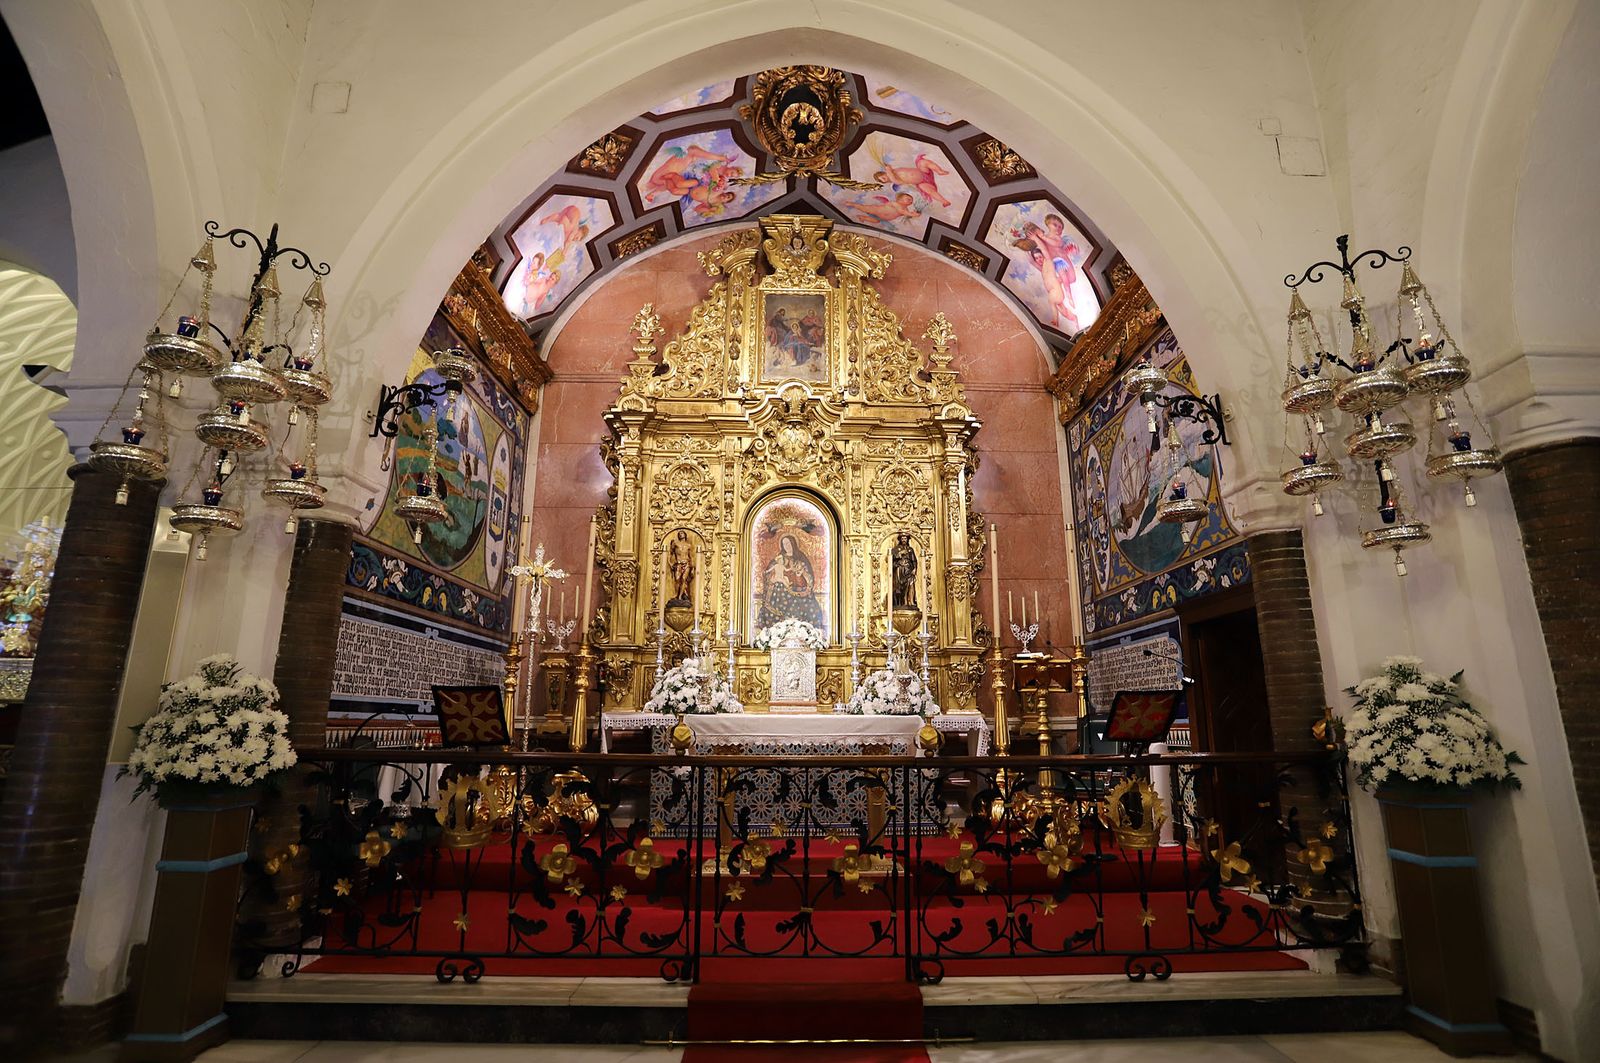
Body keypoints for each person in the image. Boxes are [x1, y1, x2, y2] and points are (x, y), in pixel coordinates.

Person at [757, 534, 824, 630]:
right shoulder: (779, 558)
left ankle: (806, 632)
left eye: (788, 543)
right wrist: (773, 577)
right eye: (784, 544)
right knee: (778, 592)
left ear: (793, 543)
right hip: (782, 590)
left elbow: (808, 576)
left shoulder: (801, 558)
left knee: (811, 607)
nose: (786, 545)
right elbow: (770, 572)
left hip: (799, 590)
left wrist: (799, 576)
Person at [891, 531, 918, 610]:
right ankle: (903, 602)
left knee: (910, 584)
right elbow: (891, 557)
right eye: (902, 538)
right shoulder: (896, 549)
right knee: (900, 587)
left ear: (907, 539)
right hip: (900, 570)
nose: (904, 540)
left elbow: (914, 560)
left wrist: (915, 568)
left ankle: (910, 601)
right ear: (900, 539)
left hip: (909, 570)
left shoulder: (910, 549)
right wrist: (899, 554)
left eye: (905, 538)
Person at [667, 529, 696, 603]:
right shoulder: (675, 544)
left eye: (682, 533)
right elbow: (670, 553)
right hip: (678, 563)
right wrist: (670, 562)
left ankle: (680, 596)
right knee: (677, 579)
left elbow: (691, 556)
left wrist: (692, 568)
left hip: (687, 563)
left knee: (683, 579)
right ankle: (676, 594)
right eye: (679, 533)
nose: (681, 534)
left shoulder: (688, 545)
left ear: (685, 535)